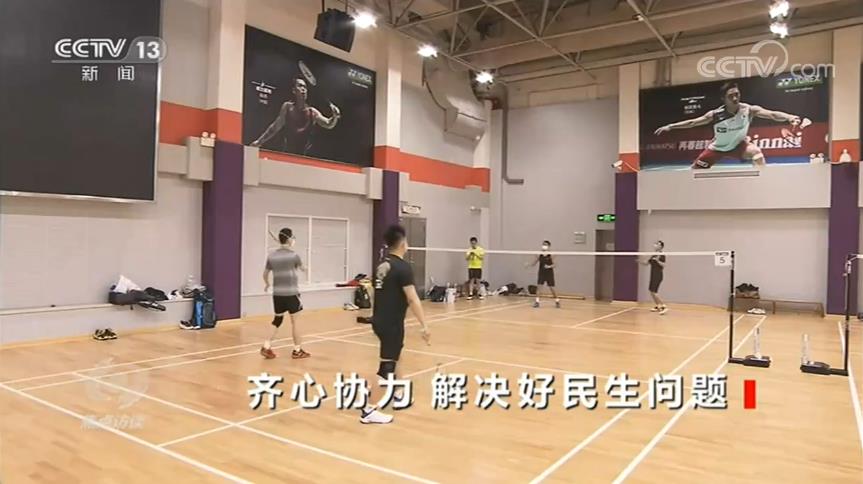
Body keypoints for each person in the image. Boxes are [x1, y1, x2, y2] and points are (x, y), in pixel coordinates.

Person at [360, 224, 431, 424]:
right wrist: (424, 325)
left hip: (380, 320)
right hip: (391, 324)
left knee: (395, 354)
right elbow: (412, 298)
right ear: (402, 243)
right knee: (387, 366)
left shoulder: (382, 264)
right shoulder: (402, 268)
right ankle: (369, 410)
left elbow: (375, 292)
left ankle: (399, 392)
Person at [653, 81, 803, 169]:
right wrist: (671, 126)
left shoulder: (748, 110)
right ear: (723, 99)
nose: (735, 98)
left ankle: (762, 184)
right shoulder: (715, 115)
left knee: (756, 152)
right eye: (731, 96)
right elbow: (693, 122)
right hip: (716, 149)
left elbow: (771, 114)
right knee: (694, 172)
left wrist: (789, 117)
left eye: (737, 94)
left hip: (739, 146)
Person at [249, 78, 341, 154]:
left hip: (305, 157)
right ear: (294, 90)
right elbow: (275, 127)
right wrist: (259, 142)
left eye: (305, 87)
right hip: (288, 155)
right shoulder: (287, 107)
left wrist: (334, 117)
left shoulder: (312, 112)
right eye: (300, 86)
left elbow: (328, 124)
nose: (303, 89)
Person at [261, 228, 310, 359]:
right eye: (292, 237)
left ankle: (266, 346)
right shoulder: (294, 256)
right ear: (289, 239)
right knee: (296, 322)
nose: (293, 240)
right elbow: (302, 268)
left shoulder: (271, 256)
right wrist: (306, 269)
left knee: (277, 320)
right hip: (291, 293)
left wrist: (267, 284)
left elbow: (265, 274)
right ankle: (297, 350)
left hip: (277, 294)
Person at [527, 240, 560, 308]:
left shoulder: (551, 254)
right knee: (539, 287)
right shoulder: (540, 254)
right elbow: (534, 263)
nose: (544, 246)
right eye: (543, 244)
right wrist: (528, 265)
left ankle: (557, 301)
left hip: (549, 273)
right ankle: (537, 302)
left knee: (552, 288)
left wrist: (549, 266)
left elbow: (555, 265)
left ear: (549, 246)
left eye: (545, 244)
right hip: (541, 272)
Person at [642, 240, 668, 315]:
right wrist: (640, 261)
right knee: (651, 291)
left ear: (661, 247)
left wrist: (657, 260)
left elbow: (664, 265)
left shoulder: (662, 255)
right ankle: (658, 305)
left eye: (657, 244)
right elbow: (647, 263)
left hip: (658, 275)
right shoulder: (653, 255)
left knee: (654, 292)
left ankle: (664, 306)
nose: (655, 245)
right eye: (656, 244)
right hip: (653, 275)